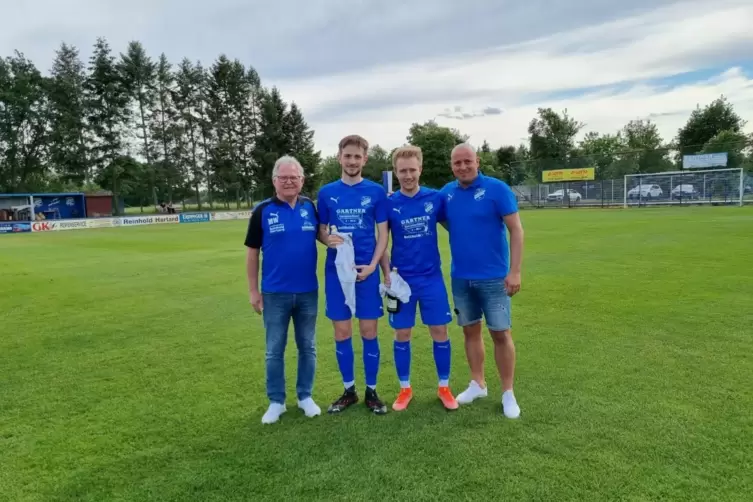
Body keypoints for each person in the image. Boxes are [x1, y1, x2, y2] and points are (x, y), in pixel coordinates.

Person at [440, 142, 525, 419]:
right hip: (461, 277)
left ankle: (508, 393)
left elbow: (516, 231)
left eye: (467, 161)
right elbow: (441, 218)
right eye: (457, 163)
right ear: (451, 166)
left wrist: (515, 272)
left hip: (494, 278)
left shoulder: (497, 189)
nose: (462, 167)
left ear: (477, 161)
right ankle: (478, 383)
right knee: (469, 331)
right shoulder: (447, 194)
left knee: (501, 333)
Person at [244, 155, 322, 424]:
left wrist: (339, 241)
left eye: (294, 177)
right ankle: (276, 401)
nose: (289, 181)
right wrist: (254, 292)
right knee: (274, 350)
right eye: (284, 177)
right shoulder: (262, 210)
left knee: (308, 347)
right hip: (274, 293)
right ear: (274, 180)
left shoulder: (309, 207)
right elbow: (252, 254)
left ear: (302, 180)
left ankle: (305, 396)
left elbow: (322, 235)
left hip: (308, 292)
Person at [317, 134, 391, 415]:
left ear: (365, 159)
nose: (352, 161)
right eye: (347, 156)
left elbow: (383, 234)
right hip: (338, 272)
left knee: (369, 331)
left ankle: (372, 391)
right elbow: (321, 230)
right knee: (342, 331)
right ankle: (349, 390)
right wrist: (327, 239)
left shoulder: (375, 192)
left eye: (357, 156)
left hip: (367, 272)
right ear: (339, 157)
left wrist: (373, 266)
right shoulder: (326, 193)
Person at [382, 145, 458, 412]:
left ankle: (444, 388)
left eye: (412, 170)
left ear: (420, 169)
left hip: (431, 279)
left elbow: (455, 226)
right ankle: (405, 389)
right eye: (403, 171)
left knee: (440, 331)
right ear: (396, 172)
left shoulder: (435, 199)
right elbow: (381, 241)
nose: (408, 175)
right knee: (402, 333)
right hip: (402, 281)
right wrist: (386, 274)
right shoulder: (389, 203)